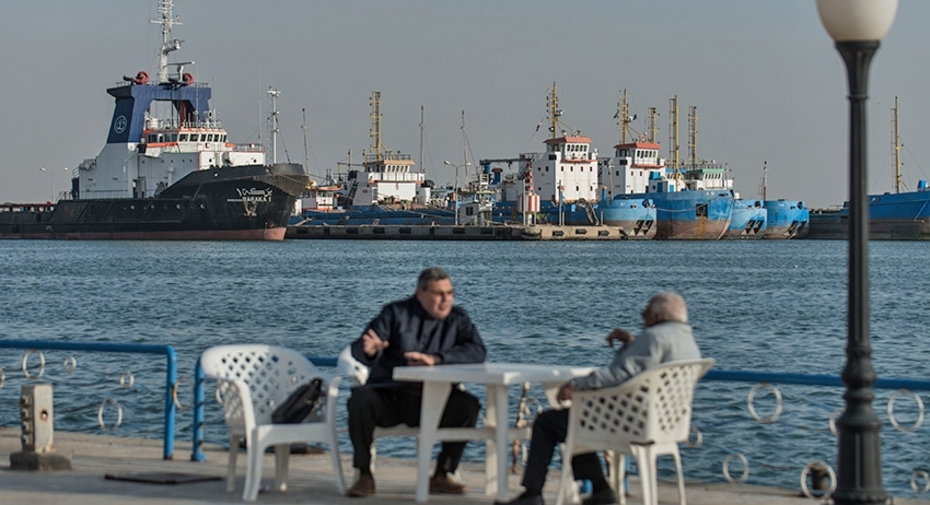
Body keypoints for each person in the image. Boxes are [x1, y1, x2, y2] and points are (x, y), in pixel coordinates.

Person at [495, 292, 701, 505]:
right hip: (667, 423)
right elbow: (649, 363)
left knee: (548, 422)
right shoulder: (687, 341)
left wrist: (575, 385)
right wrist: (632, 342)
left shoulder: (654, 337)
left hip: (630, 422)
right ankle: (600, 490)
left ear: (657, 317)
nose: (642, 318)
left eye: (644, 313)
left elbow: (617, 376)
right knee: (574, 423)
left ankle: (533, 494)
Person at [347, 267, 487, 498]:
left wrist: (437, 359)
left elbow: (477, 350)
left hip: (436, 399)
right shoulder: (395, 313)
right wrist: (369, 351)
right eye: (439, 294)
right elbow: (362, 346)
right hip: (392, 397)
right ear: (419, 293)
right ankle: (364, 474)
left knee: (468, 405)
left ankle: (442, 474)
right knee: (360, 399)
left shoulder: (458, 318)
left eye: (450, 293)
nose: (446, 300)